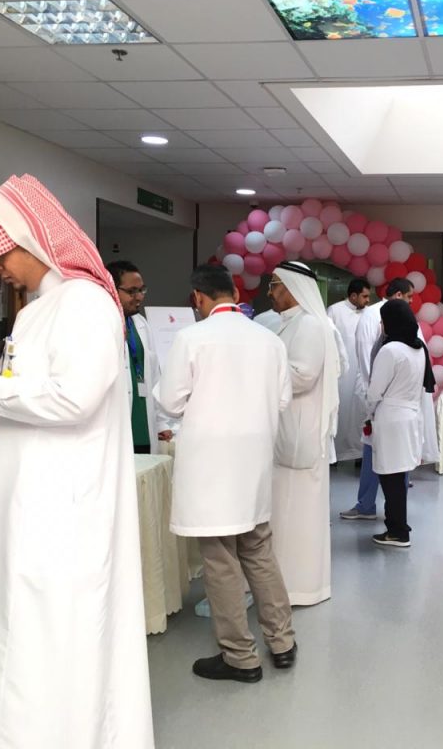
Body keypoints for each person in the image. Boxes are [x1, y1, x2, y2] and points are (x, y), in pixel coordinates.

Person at [0, 175, 153, 747]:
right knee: (18, 631)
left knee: (51, 635)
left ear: (29, 238)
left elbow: (73, 399)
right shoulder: (37, 310)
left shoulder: (85, 303)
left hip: (59, 509)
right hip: (26, 506)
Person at [155, 264, 296, 683]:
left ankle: (240, 656)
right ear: (235, 293)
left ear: (197, 298)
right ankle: (282, 642)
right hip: (253, 459)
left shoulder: (191, 338)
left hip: (210, 463)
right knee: (258, 548)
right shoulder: (270, 340)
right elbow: (283, 400)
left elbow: (170, 401)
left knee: (219, 557)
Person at [267, 261, 339, 606]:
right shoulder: (287, 322)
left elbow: (302, 375)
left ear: (293, 287)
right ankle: (282, 584)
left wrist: (260, 370)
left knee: (300, 516)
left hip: (301, 430)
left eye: (275, 285)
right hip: (287, 428)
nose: (270, 292)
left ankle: (302, 587)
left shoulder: (310, 325)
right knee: (285, 513)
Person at [341, 277, 440, 520]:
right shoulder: (414, 346)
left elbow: (376, 384)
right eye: (408, 297)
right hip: (400, 412)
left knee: (387, 467)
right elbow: (368, 363)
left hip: (386, 411)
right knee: (394, 467)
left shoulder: (392, 348)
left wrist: (373, 404)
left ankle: (388, 518)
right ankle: (384, 513)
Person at [367, 300, 436, 548]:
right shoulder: (418, 348)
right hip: (410, 416)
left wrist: (369, 412)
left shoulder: (390, 351)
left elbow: (375, 391)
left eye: (383, 320)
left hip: (391, 418)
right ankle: (399, 525)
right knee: (399, 477)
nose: (381, 325)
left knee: (390, 478)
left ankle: (397, 531)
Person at [107, 259, 175, 453]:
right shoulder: (103, 323)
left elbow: (154, 376)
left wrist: (161, 422)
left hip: (143, 424)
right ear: (111, 289)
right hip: (115, 425)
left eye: (141, 290)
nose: (139, 297)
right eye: (131, 291)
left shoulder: (141, 323)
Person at [327, 278, 372, 463]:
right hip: (342, 373)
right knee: (340, 410)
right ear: (353, 296)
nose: (368, 300)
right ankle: (334, 454)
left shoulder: (369, 313)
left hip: (362, 369)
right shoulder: (334, 311)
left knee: (361, 410)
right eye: (365, 296)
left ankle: (359, 454)